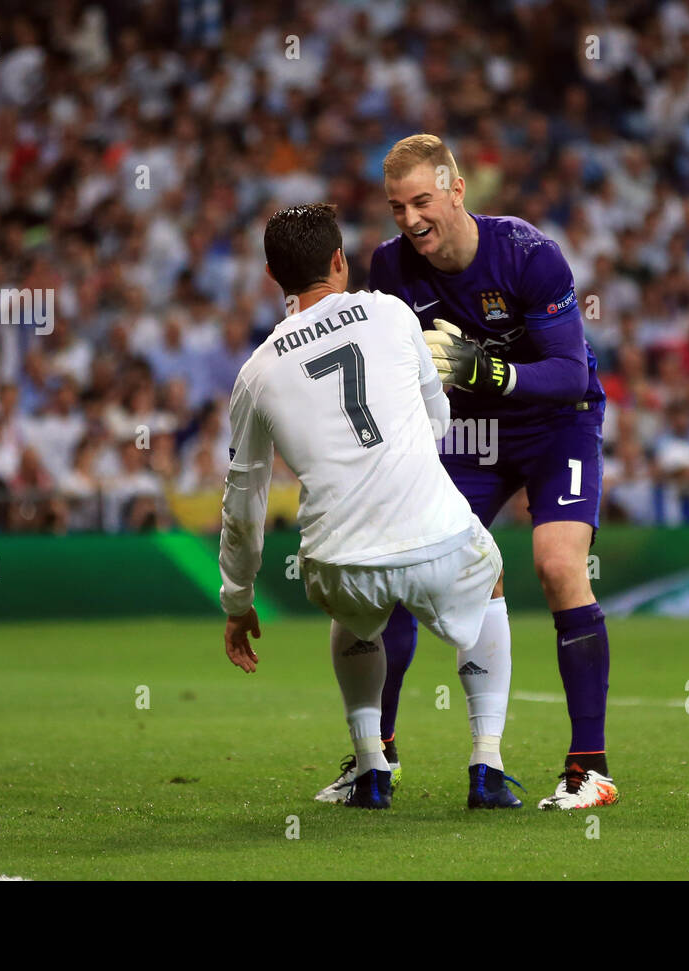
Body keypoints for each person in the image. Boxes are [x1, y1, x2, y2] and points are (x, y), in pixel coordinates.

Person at [315, 134, 618, 811]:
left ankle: (588, 768)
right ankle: (376, 758)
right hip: (467, 435)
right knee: (395, 569)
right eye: (397, 206)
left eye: (422, 200)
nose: (411, 218)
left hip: (557, 424)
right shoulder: (390, 266)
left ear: (455, 188)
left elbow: (570, 370)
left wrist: (490, 369)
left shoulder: (530, 255)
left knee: (558, 564)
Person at [219, 204, 520, 809]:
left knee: (354, 614)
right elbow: (439, 419)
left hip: (340, 563)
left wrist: (238, 602)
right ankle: (486, 764)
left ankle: (371, 766)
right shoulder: (391, 312)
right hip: (436, 540)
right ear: (339, 261)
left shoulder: (257, 372)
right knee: (489, 582)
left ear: (274, 275)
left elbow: (243, 503)